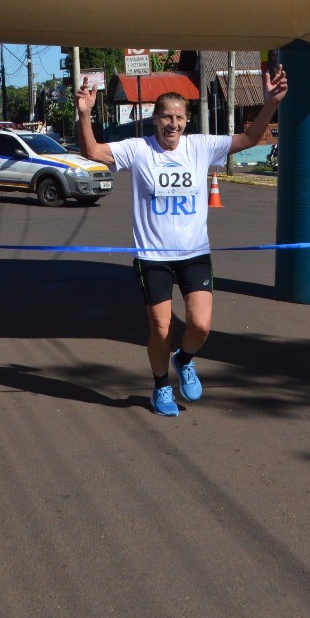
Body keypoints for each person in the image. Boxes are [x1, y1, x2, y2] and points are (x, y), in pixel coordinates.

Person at [76, 64, 289, 416]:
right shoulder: (139, 149)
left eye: (178, 117)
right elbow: (93, 152)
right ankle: (160, 387)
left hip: (194, 253)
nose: (172, 124)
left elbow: (250, 139)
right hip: (152, 256)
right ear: (154, 120)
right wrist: (84, 115)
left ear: (186, 121)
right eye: (165, 117)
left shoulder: (201, 147)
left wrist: (271, 104)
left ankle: (184, 360)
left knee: (201, 326)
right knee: (161, 329)